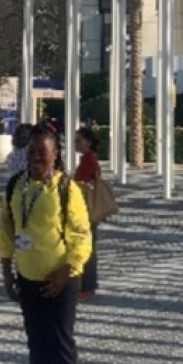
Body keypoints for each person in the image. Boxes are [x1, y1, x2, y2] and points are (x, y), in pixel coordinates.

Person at [0, 125, 92, 364]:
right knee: (37, 346)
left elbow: (82, 236)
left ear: (56, 155)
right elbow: (6, 230)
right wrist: (7, 272)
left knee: (61, 346)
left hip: (60, 280)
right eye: (32, 150)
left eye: (43, 151)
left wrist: (68, 272)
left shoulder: (67, 189)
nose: (36, 156)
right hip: (28, 279)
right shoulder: (16, 187)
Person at [73, 127, 102, 301]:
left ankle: (88, 286)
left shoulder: (89, 160)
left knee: (88, 248)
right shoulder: (87, 159)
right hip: (85, 207)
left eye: (78, 140)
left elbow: (86, 183)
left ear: (88, 142)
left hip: (87, 208)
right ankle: (87, 284)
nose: (76, 144)